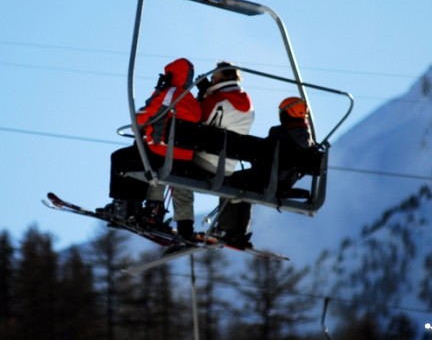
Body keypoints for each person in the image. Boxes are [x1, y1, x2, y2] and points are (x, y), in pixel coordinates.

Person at [99, 58, 201, 227]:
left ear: (171, 74)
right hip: (184, 159)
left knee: (120, 158)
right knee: (138, 157)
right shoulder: (194, 102)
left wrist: (143, 115)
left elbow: (144, 118)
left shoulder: (169, 93)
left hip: (162, 154)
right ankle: (133, 207)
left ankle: (123, 206)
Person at [172, 61, 255, 243]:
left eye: (214, 77)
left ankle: (183, 228)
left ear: (223, 78)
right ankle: (232, 230)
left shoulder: (215, 101)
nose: (211, 80)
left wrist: (204, 95)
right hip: (227, 167)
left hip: (204, 163)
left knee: (174, 171)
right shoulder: (248, 105)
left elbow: (194, 122)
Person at [219, 96, 316, 246]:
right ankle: (238, 232)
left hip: (267, 180)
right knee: (243, 184)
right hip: (284, 183)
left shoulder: (279, 135)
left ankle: (227, 229)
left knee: (232, 181)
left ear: (286, 114)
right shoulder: (308, 142)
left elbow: (261, 156)